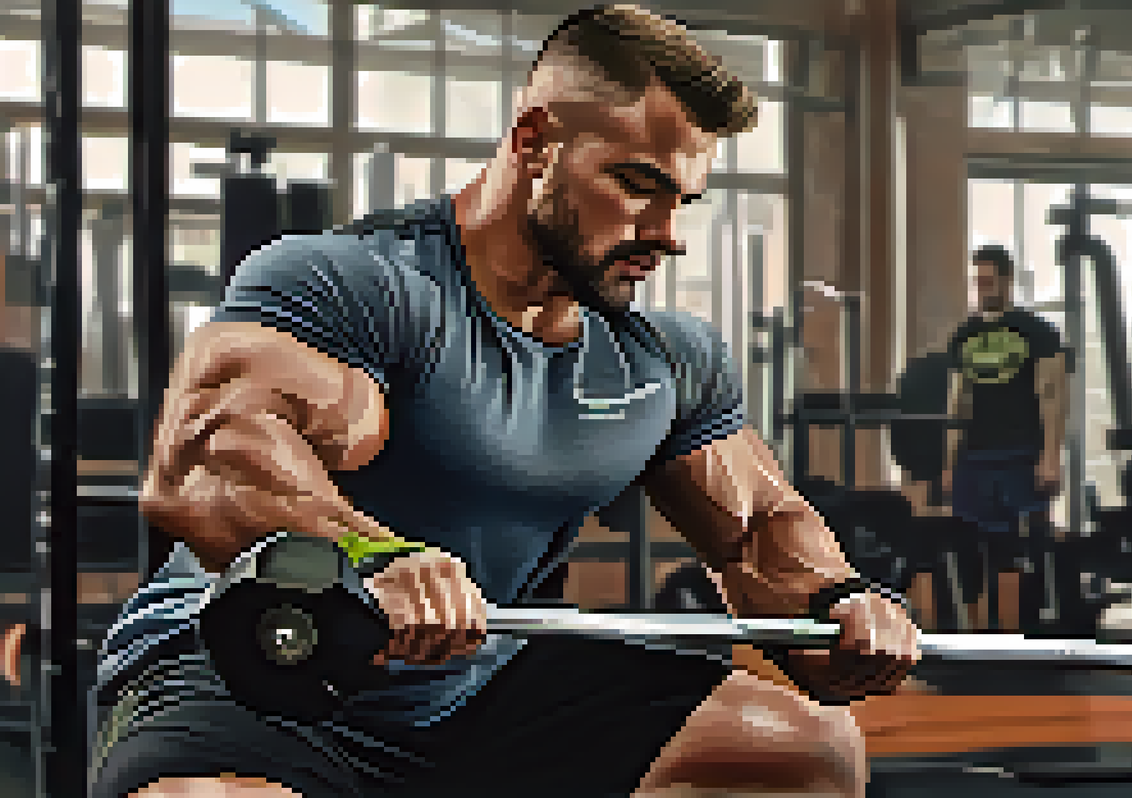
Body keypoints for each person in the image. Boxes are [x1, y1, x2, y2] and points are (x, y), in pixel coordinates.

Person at [90, 6, 920, 797]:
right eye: (637, 184)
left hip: (470, 689)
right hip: (259, 665)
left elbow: (756, 532)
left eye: (682, 199)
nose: (666, 230)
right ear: (535, 142)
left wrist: (836, 603)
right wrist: (372, 558)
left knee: (798, 749)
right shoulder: (364, 286)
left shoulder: (662, 358)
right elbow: (212, 455)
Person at [939, 245, 1068, 633]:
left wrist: (1049, 456)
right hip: (975, 456)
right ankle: (975, 634)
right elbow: (956, 401)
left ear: (1008, 280)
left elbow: (1053, 396)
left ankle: (1034, 629)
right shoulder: (964, 334)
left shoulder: (1039, 333)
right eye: (977, 281)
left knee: (1026, 548)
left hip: (1022, 454)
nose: (983, 289)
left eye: (989, 281)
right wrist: (948, 464)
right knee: (971, 549)